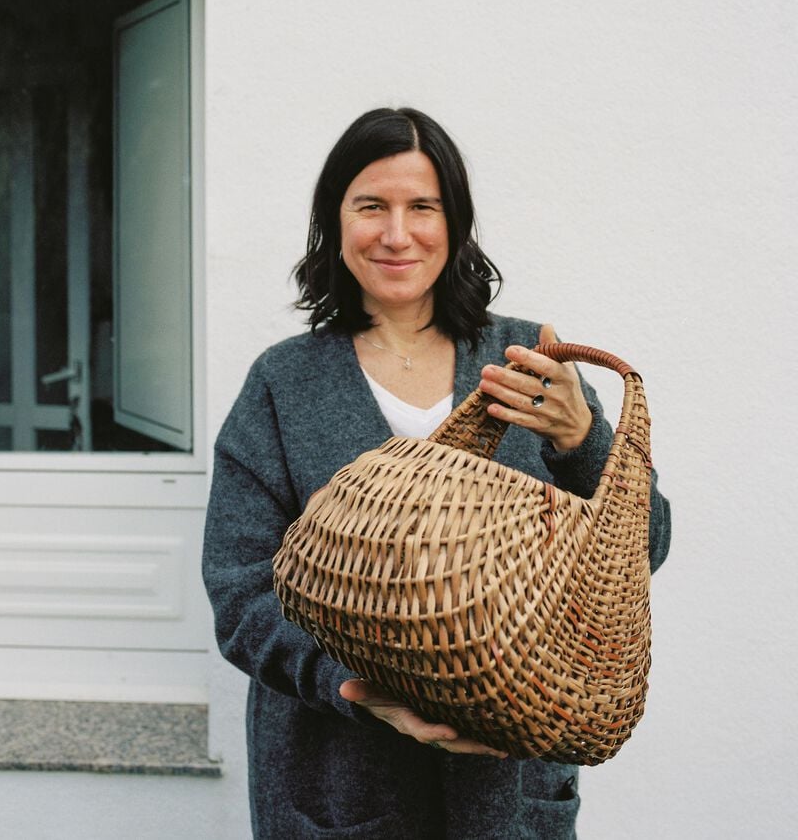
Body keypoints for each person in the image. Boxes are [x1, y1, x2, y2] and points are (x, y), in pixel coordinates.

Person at [202, 107, 671, 840]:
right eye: (371, 206)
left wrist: (582, 440)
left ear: (456, 222)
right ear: (335, 220)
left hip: (507, 801)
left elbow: (639, 551)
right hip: (334, 792)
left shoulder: (528, 362)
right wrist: (355, 687)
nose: (397, 233)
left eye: (423, 206)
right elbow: (240, 592)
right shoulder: (284, 384)